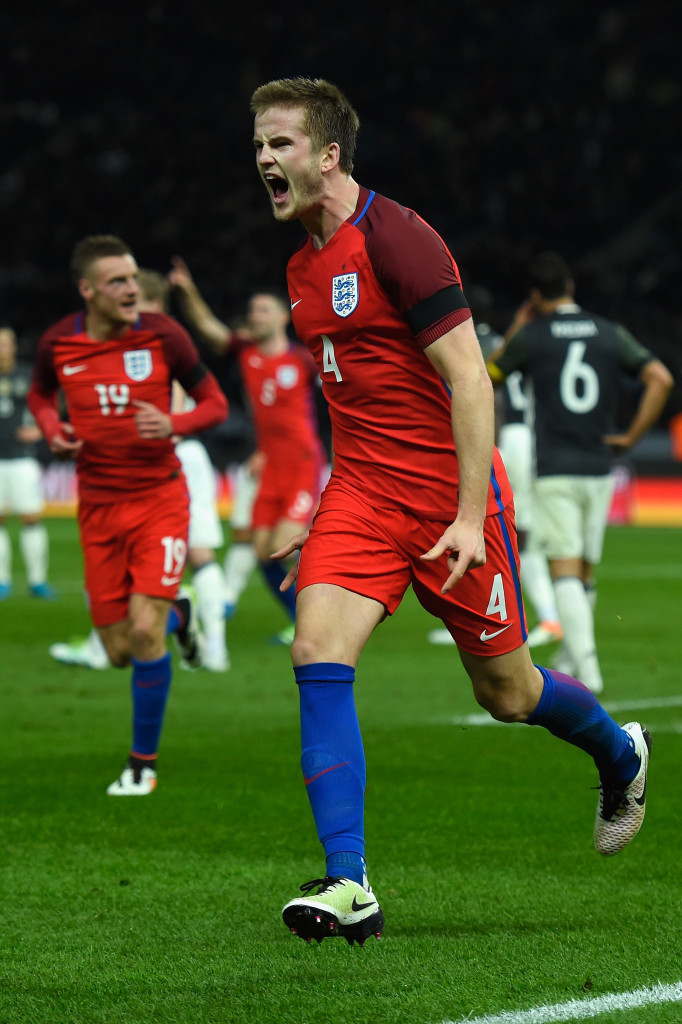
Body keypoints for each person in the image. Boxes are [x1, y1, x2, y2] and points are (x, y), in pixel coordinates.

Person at [249, 77, 654, 946]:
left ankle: (619, 754)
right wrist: (328, 510)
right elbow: (357, 405)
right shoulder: (300, 264)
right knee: (315, 647)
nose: (263, 160)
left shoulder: (400, 239)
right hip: (362, 499)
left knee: (507, 693)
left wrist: (471, 518)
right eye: (257, 144)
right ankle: (350, 881)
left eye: (280, 144)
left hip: (450, 503)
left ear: (328, 154)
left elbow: (471, 379)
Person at [28, 235, 228, 794]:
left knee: (143, 633)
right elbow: (41, 397)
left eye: (134, 277)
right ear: (87, 290)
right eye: (117, 281)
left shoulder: (163, 334)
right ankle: (181, 616)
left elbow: (215, 402)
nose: (131, 288)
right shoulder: (57, 344)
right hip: (96, 508)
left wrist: (175, 424)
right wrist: (52, 430)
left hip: (159, 500)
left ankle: (143, 764)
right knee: (119, 651)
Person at [490, 251, 673, 694]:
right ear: (570, 287)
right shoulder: (610, 333)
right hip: (600, 466)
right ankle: (574, 653)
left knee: (565, 571)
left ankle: (587, 670)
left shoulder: (533, 335)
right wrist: (631, 437)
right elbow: (660, 379)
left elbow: (489, 374)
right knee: (585, 572)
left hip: (555, 468)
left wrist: (518, 324)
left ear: (536, 296)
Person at [49, 268, 231, 673]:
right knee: (138, 563)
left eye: (136, 303)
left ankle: (207, 645)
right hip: (154, 460)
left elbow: (193, 402)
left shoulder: (160, 341)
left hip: (167, 459)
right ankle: (200, 646)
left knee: (190, 556)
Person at [168, 258, 327, 645]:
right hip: (269, 465)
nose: (256, 316)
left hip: (303, 461)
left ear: (282, 318)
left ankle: (325, 614)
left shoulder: (303, 358)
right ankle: (299, 622)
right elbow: (208, 328)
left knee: (285, 543)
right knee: (262, 552)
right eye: (253, 311)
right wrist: (188, 292)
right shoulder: (245, 351)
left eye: (264, 310)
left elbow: (340, 394)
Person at [427, 286, 561, 648]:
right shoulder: (504, 340)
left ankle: (494, 620)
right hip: (526, 438)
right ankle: (532, 617)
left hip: (497, 440)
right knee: (517, 533)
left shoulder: (464, 342)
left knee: (481, 529)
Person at [0, 327, 55, 600]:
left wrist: (40, 431)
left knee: (31, 518)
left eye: (5, 344)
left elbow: (50, 404)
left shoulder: (27, 375)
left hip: (22, 459)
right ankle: (2, 581)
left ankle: (37, 580)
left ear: (13, 346)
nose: (2, 349)